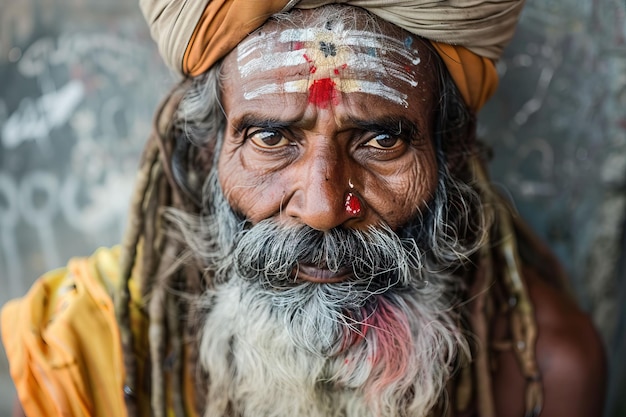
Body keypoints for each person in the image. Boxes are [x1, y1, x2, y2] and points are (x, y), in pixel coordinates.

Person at [1, 1, 607, 416]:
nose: (321, 207)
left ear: (449, 149)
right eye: (270, 139)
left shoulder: (542, 371)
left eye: (381, 140)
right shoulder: (84, 344)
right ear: (211, 148)